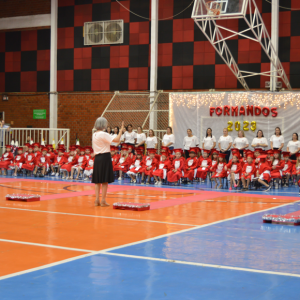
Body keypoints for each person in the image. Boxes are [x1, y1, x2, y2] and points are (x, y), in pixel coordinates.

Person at [92, 117, 124, 206]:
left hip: (97, 158)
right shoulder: (103, 134)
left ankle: (97, 200)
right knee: (105, 180)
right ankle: (103, 201)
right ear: (103, 124)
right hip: (105, 157)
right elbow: (117, 140)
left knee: (97, 180)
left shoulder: (94, 134)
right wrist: (121, 130)